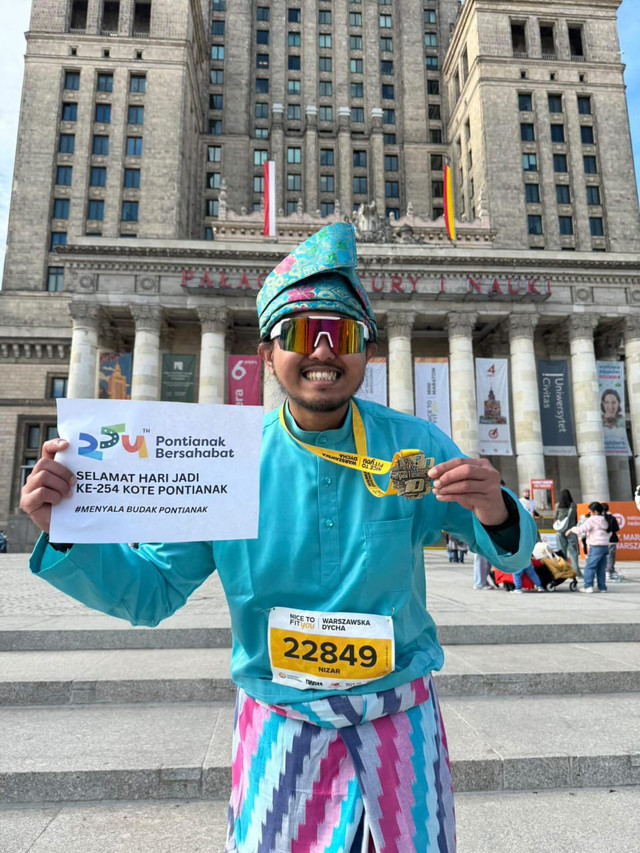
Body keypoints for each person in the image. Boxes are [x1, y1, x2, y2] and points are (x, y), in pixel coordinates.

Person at [19, 223, 537, 852]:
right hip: (279, 728)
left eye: (342, 335)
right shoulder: (225, 463)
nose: (322, 351)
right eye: (299, 334)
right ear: (267, 354)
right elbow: (148, 593)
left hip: (398, 721)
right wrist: (65, 535)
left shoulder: (414, 446)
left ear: (367, 353)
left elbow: (509, 551)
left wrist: (496, 510)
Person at [567, 501, 610, 593]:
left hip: (596, 546)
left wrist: (571, 529)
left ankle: (588, 586)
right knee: (601, 568)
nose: (589, 514)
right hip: (605, 546)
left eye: (590, 512)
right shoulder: (605, 519)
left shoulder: (592, 520)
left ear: (595, 512)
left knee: (590, 567)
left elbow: (581, 530)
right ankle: (602, 587)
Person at [553, 488, 581, 577]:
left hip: (560, 531)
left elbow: (555, 516)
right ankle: (576, 571)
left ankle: (563, 570)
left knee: (561, 551)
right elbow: (576, 518)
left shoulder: (557, 505)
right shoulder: (573, 505)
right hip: (571, 530)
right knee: (573, 551)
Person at [601, 502, 620, 581]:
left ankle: (604, 571)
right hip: (612, 539)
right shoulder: (612, 518)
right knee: (611, 556)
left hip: (602, 540)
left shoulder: (600, 518)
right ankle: (609, 571)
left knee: (603, 556)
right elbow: (617, 528)